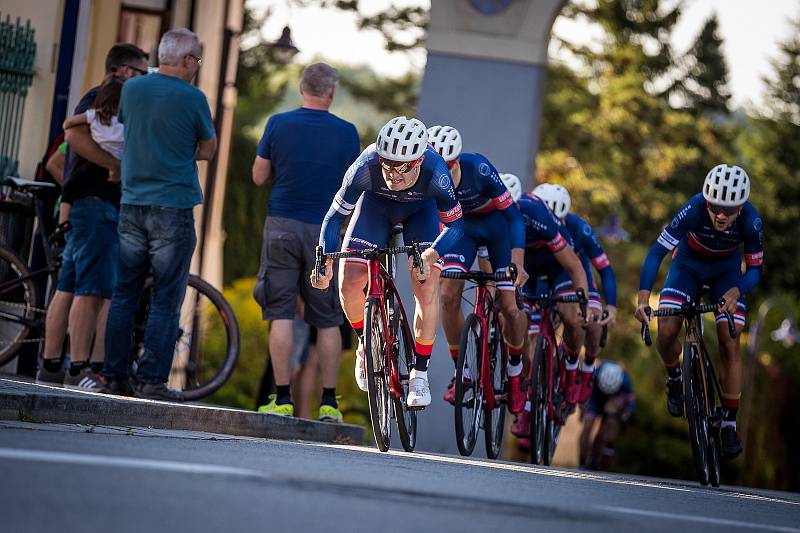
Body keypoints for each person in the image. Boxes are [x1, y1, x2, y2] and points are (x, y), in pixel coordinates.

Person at [86, 29, 217, 401]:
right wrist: (179, 151)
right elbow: (208, 149)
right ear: (188, 60)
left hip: (131, 203)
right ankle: (152, 380)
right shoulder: (194, 99)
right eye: (197, 61)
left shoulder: (133, 90)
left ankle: (113, 375)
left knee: (124, 293)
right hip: (172, 208)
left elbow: (132, 130)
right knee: (165, 297)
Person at [311, 116, 464, 409]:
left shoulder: (436, 172)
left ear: (418, 161)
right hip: (376, 209)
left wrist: (432, 254)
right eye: (388, 164)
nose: (394, 174)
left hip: (422, 214)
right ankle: (366, 344)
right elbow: (334, 218)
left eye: (402, 167)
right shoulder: (365, 166)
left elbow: (456, 227)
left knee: (426, 283)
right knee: (350, 280)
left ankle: (419, 373)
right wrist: (325, 260)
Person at [35, 43, 149, 388]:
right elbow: (72, 135)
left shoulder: (103, 101)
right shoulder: (102, 97)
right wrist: (115, 165)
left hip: (86, 204)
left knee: (68, 286)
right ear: (123, 71)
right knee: (93, 291)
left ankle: (52, 364)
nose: (144, 80)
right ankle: (79, 368)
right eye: (142, 73)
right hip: (97, 203)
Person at [251, 62, 360, 422]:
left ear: (301, 88)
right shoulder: (348, 134)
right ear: (330, 92)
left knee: (280, 312)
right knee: (327, 319)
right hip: (326, 232)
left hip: (281, 224)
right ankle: (329, 403)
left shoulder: (277, 124)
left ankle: (281, 398)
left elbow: (258, 176)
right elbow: (355, 189)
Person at [635, 164, 761, 460]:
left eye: (728, 210)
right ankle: (675, 377)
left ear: (740, 207)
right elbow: (657, 252)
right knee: (666, 331)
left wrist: (736, 291)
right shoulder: (693, 208)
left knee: (730, 339)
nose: (720, 214)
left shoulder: (751, 221)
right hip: (687, 267)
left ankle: (729, 422)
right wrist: (642, 298)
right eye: (715, 206)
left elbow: (755, 268)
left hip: (727, 275)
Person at [427, 125, 528, 414]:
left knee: (509, 306)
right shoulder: (427, 176)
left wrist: (517, 262)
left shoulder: (479, 169)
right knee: (447, 295)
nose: (440, 175)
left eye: (445, 167)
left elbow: (514, 217)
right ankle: (464, 371)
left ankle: (516, 371)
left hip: (497, 230)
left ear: (456, 162)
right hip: (462, 231)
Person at [510, 192, 590, 438]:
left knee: (571, 317)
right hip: (529, 270)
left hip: (558, 266)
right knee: (522, 331)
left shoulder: (538, 217)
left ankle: (572, 365)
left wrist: (582, 302)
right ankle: (526, 407)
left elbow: (575, 266)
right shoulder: (500, 221)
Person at [533, 183, 618, 403]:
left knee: (590, 322)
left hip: (571, 275)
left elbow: (605, 269)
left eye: (558, 222)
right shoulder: (531, 223)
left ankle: (585, 367)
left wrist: (611, 305)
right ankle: (530, 397)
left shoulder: (579, 228)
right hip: (542, 275)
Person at [579, 360, 635, 469]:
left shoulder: (625, 381)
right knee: (587, 426)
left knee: (612, 417)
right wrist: (582, 411)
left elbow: (631, 402)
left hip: (615, 398)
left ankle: (609, 447)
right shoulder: (595, 374)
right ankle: (581, 461)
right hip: (595, 395)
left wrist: (625, 415)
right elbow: (583, 392)